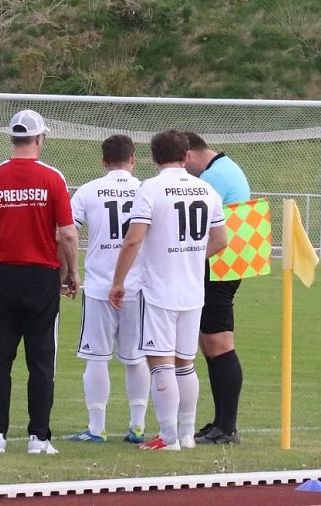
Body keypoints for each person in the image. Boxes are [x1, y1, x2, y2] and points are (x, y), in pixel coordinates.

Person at [0, 109, 80, 455]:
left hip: (1, 273)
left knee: (0, 356)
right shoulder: (53, 178)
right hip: (41, 276)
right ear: (40, 139)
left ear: (12, 138)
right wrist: (71, 272)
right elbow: (68, 234)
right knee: (42, 358)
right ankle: (39, 437)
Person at [108, 129, 228, 451]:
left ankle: (168, 436)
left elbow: (134, 238)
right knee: (185, 363)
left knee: (160, 363)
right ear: (187, 155)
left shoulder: (150, 188)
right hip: (192, 291)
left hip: (159, 290)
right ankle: (187, 435)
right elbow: (221, 240)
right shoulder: (207, 190)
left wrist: (118, 281)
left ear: (153, 157)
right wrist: (190, 256)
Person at [67, 135, 150, 445]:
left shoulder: (87, 191)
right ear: (133, 159)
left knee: (97, 358)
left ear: (103, 161)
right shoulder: (146, 189)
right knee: (135, 357)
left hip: (101, 285)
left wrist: (68, 271)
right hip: (138, 286)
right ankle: (137, 427)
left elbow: (68, 234)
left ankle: (97, 428)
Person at [183, 131, 251, 445]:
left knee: (218, 342)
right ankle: (222, 423)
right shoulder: (224, 169)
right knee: (211, 344)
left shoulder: (214, 177)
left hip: (221, 265)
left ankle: (228, 426)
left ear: (190, 155)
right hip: (226, 263)